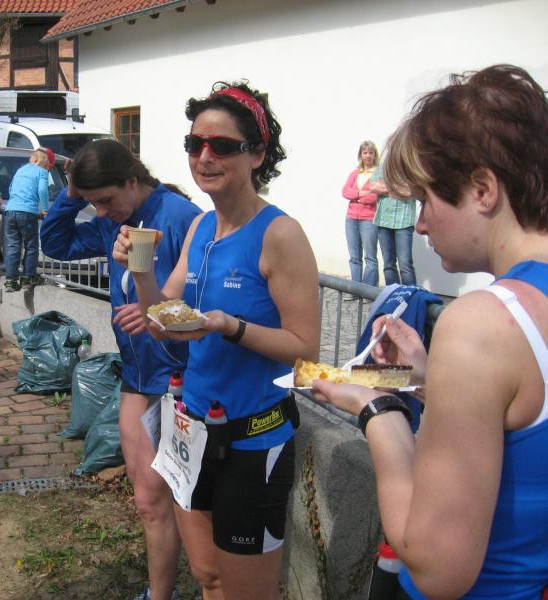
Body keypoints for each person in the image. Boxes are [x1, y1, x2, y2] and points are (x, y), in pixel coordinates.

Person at [313, 64, 548, 599]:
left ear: (483, 189)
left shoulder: (483, 323)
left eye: (425, 201)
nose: (419, 223)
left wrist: (378, 409)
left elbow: (438, 567)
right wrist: (427, 378)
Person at [113, 82, 320, 599]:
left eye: (223, 146)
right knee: (207, 576)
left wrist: (233, 327)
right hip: (192, 431)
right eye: (195, 143)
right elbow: (164, 320)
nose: (205, 156)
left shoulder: (281, 234)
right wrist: (140, 270)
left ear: (257, 154)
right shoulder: (202, 226)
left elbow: (306, 350)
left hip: (254, 440)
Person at [41, 139, 201, 600]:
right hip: (137, 375)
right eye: (93, 202)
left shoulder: (180, 217)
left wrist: (158, 312)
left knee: (183, 501)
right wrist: (72, 193)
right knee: (147, 499)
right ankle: (160, 594)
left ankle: (206, 583)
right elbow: (55, 242)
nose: (101, 211)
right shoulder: (115, 220)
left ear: (133, 181)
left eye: (106, 199)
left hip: (181, 378)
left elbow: (205, 299)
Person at [3, 147, 54, 292]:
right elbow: (42, 190)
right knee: (31, 246)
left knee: (12, 246)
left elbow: (11, 188)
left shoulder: (20, 170)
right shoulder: (42, 172)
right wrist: (44, 209)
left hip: (10, 211)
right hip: (27, 213)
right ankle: (27, 277)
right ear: (42, 163)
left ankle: (11, 280)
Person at [370, 162, 418, 285]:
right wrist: (399, 187)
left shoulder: (411, 166)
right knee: (388, 264)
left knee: (405, 265)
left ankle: (410, 295)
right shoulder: (383, 167)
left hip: (404, 222)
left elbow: (409, 191)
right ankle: (393, 294)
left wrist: (386, 186)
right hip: (383, 221)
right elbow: (373, 187)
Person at [342, 140, 380, 286]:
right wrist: (360, 193)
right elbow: (345, 191)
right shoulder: (355, 173)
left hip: (368, 219)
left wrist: (356, 196)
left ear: (374, 155)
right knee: (354, 257)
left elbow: (374, 196)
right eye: (365, 152)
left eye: (371, 153)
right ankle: (355, 290)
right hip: (351, 218)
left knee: (370, 257)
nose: (368, 155)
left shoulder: (378, 173)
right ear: (361, 155)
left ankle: (368, 291)